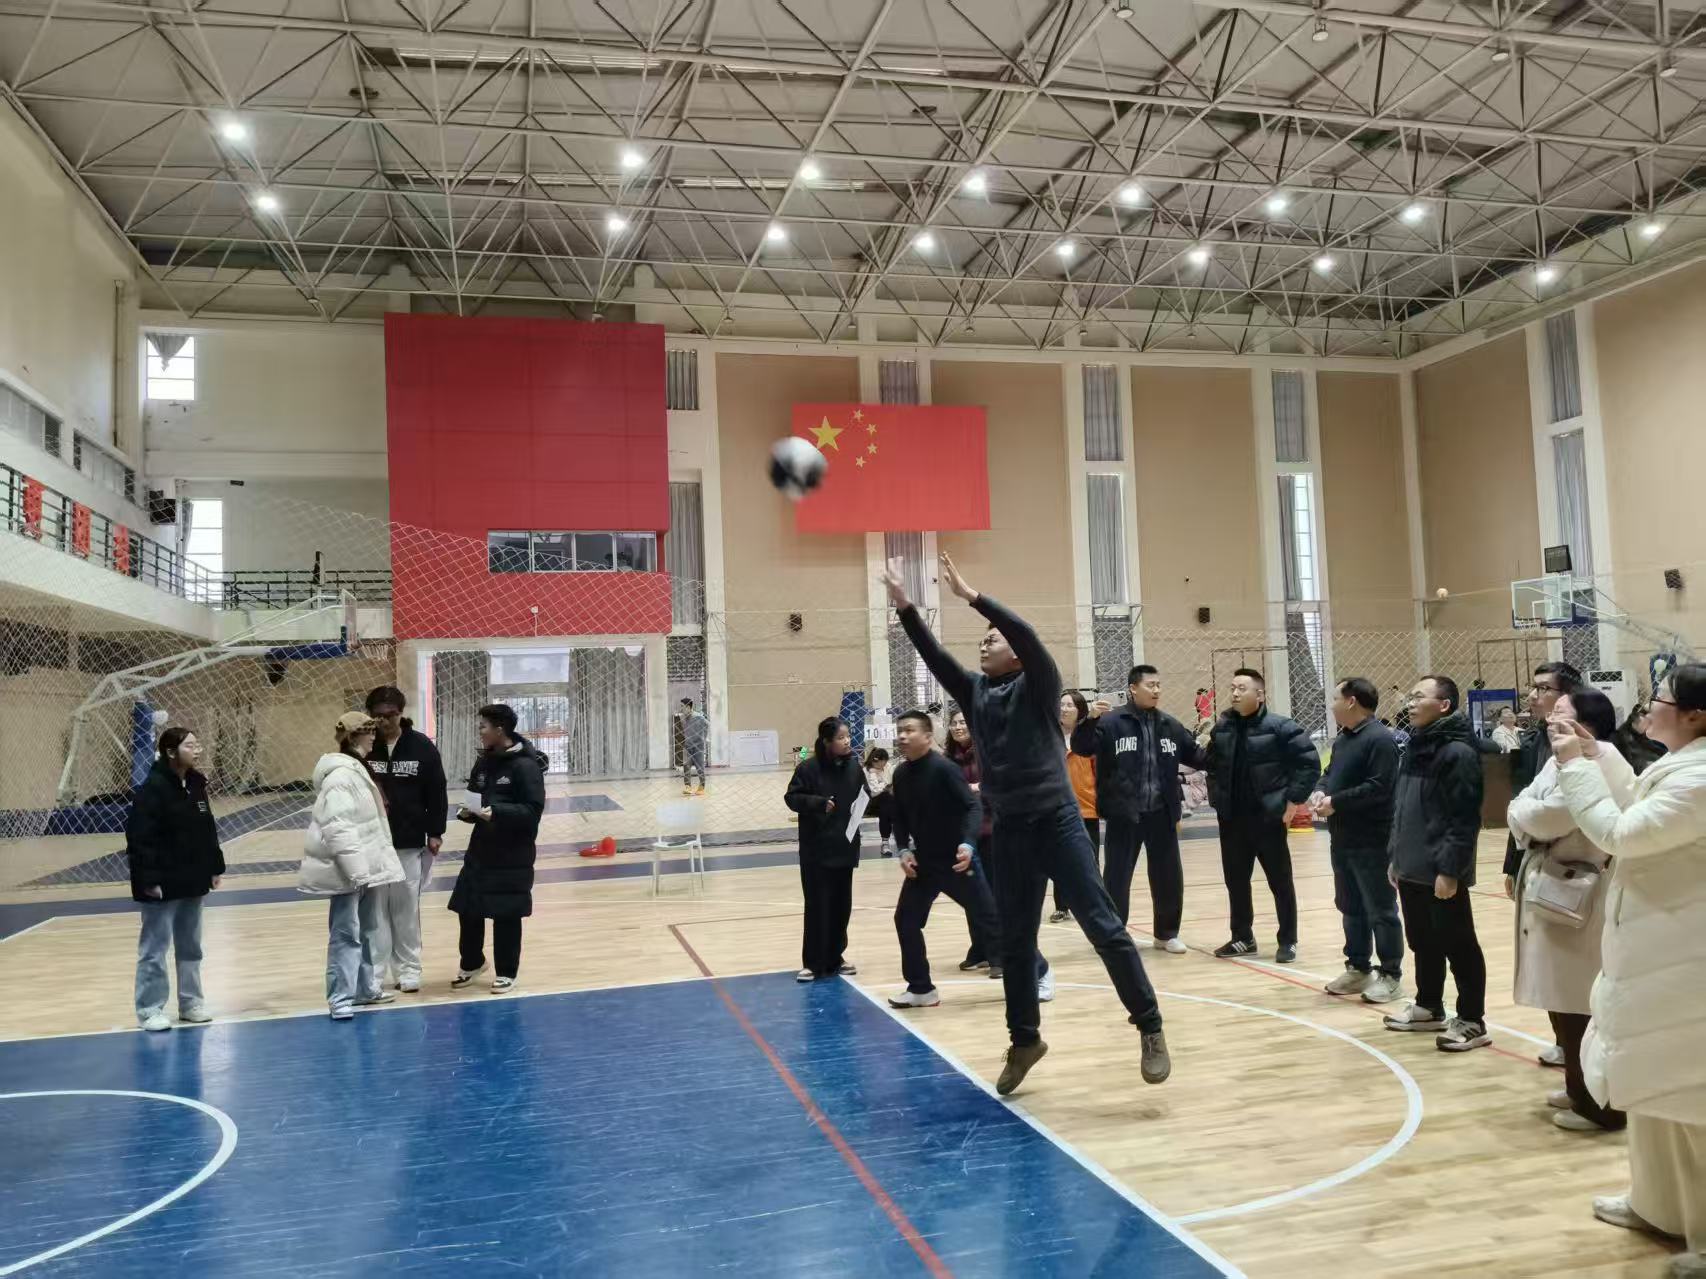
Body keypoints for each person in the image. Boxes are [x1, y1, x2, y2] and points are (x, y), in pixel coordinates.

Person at [884, 553, 1170, 1096]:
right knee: (1014, 941)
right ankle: (1024, 1041)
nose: (984, 642)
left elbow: (1026, 633)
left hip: (1058, 823)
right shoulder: (975, 691)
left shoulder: (1039, 684)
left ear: (1015, 652)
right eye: (983, 638)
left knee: (1103, 926)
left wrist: (974, 598)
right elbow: (933, 655)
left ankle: (1150, 1026)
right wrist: (904, 608)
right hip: (1011, 828)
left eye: (993, 638)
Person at [1553, 663, 1706, 1273]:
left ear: (1695, 715)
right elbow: (1634, 799)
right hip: (1654, 953)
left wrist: (1573, 766)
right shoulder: (1679, 766)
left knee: (1691, 1100)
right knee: (1649, 1086)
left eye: (1659, 698)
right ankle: (1658, 1204)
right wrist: (1597, 756)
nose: (1648, 707)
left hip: (1687, 961)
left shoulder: (1700, 780)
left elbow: (1619, 832)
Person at [1507, 687, 1634, 1134]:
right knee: (1562, 1002)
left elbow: (1551, 817)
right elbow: (1524, 802)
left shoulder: (1604, 760)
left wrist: (1525, 813)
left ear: (1587, 723)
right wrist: (1525, 811)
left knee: (1581, 1002)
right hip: (1552, 887)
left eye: (1560, 712)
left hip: (1583, 892)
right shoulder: (1558, 757)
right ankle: (1578, 1086)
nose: (1549, 718)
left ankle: (1600, 1104)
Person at [1382, 676, 1490, 1052]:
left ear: (1444, 705)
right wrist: (1397, 856)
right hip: (1410, 865)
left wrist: (1450, 870)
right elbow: (1402, 807)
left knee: (1458, 944)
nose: (1410, 703)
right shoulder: (1415, 745)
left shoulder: (1457, 753)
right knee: (1423, 941)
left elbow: (1463, 818)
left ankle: (1472, 1020)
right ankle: (1429, 1006)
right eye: (1409, 697)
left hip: (1440, 869)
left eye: (1418, 697)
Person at [1071, 665, 1204, 952]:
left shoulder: (1170, 725)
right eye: (1150, 685)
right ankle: (1114, 934)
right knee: (1117, 878)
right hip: (1124, 815)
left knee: (1168, 876)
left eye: (1159, 685)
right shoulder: (1111, 722)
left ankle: (1166, 934)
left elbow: (1198, 756)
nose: (1156, 690)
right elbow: (1081, 747)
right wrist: (1089, 720)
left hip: (1162, 814)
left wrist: (1218, 742)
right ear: (1133, 688)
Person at [1200, 668, 1320, 962]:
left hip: (1268, 819)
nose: (1235, 693)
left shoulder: (1281, 727)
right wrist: (1217, 799)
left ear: (1260, 694)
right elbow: (1212, 767)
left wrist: (1293, 801)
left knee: (1280, 882)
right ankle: (1242, 938)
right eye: (1232, 688)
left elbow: (1308, 764)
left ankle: (1288, 940)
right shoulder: (1223, 728)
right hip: (1232, 820)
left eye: (1242, 688)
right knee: (1236, 881)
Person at [886, 710, 1004, 1009]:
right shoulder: (900, 774)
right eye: (900, 731)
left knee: (990, 919)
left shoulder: (944, 768)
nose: (902, 736)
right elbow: (899, 816)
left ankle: (1036, 972)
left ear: (928, 736)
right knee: (906, 920)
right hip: (924, 864)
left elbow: (972, 807)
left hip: (956, 861)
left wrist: (968, 844)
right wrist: (903, 850)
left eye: (909, 730)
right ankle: (921, 989)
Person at [299, 712, 406, 1020]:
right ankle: (340, 998)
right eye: (368, 731)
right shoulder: (340, 776)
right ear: (353, 736)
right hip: (349, 871)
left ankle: (365, 989)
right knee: (346, 934)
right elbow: (338, 826)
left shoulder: (358, 770)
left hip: (365, 869)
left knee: (369, 929)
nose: (374, 737)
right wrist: (357, 872)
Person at [1503, 660, 1582, 1069]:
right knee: (1544, 954)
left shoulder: (1590, 746)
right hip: (1532, 852)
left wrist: (1526, 813)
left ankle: (1578, 1046)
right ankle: (1563, 1039)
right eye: (1532, 689)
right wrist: (1511, 862)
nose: (1533, 696)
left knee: (1570, 958)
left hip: (1571, 865)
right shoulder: (1536, 740)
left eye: (1543, 689)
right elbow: (1521, 800)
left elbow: (1544, 809)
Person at [125, 727, 224, 1032]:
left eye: (198, 745)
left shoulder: (196, 784)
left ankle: (191, 1003)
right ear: (171, 752)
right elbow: (139, 839)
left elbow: (207, 828)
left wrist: (214, 866)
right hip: (162, 883)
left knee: (191, 947)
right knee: (154, 950)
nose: (197, 751)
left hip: (192, 879)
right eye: (190, 746)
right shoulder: (152, 789)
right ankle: (150, 1009)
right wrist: (149, 879)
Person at [1311, 678, 1404, 1003]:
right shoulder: (1344, 739)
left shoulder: (1380, 739)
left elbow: (1380, 787)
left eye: (1335, 697)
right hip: (1342, 837)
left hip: (1373, 839)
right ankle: (1358, 967)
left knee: (1380, 908)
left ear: (1351, 701)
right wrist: (1321, 790)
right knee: (1349, 905)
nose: (1332, 704)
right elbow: (1329, 773)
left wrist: (1336, 802)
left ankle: (1391, 974)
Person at [448, 704, 547, 993]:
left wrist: (498, 813)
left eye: (483, 726)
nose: (479, 731)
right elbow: (475, 796)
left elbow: (532, 811)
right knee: (468, 908)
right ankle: (472, 963)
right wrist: (468, 813)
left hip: (512, 853)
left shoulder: (526, 766)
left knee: (506, 913)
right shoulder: (484, 762)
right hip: (481, 849)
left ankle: (506, 971)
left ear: (500, 729)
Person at [363, 685, 448, 994]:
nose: (385, 721)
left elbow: (437, 791)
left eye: (391, 715)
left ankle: (409, 969)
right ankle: (375, 972)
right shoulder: (364, 748)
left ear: (401, 713)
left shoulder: (421, 746)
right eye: (378, 716)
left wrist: (435, 832)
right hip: (371, 842)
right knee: (375, 912)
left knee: (406, 909)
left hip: (409, 841)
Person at [785, 716, 867, 982]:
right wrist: (818, 803)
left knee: (841, 907)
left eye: (848, 736)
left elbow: (864, 795)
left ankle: (836, 957)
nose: (847, 741)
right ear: (826, 741)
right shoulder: (808, 769)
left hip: (845, 847)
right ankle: (812, 962)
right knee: (818, 906)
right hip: (817, 851)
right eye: (841, 738)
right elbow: (792, 797)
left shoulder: (854, 767)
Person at [946, 706, 996, 972]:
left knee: (993, 894)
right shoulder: (948, 760)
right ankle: (979, 949)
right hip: (965, 835)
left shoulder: (988, 752)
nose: (958, 727)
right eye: (954, 723)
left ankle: (999, 953)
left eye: (963, 722)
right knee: (973, 894)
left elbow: (1001, 783)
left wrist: (978, 788)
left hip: (992, 831)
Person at [1048, 691, 1100, 925]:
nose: (1064, 709)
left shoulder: (1089, 738)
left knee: (1090, 861)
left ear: (1080, 710)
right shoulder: (1050, 737)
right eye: (1061, 705)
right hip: (1057, 808)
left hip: (1087, 808)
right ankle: (1061, 906)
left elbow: (1099, 771)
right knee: (1060, 860)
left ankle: (1094, 904)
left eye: (1070, 705)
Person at [1614, 703, 1667, 776]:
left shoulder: (1639, 732)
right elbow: (1636, 762)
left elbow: (1652, 747)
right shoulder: (1625, 737)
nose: (1647, 728)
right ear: (1634, 724)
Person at [864, 745, 896, 857]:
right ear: (874, 761)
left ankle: (886, 841)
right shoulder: (867, 770)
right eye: (880, 764)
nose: (883, 766)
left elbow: (893, 781)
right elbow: (874, 791)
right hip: (871, 802)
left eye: (885, 763)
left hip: (888, 800)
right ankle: (886, 842)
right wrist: (874, 774)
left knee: (889, 803)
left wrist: (886, 785)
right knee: (886, 801)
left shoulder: (888, 766)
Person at [680, 697, 709, 795]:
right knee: (686, 765)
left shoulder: (698, 717)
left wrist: (704, 738)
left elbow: (707, 725)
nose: (681, 709)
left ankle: (702, 786)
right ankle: (688, 787)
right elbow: (685, 729)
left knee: (700, 767)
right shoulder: (682, 718)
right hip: (687, 745)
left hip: (698, 746)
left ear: (688, 707)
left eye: (682, 706)